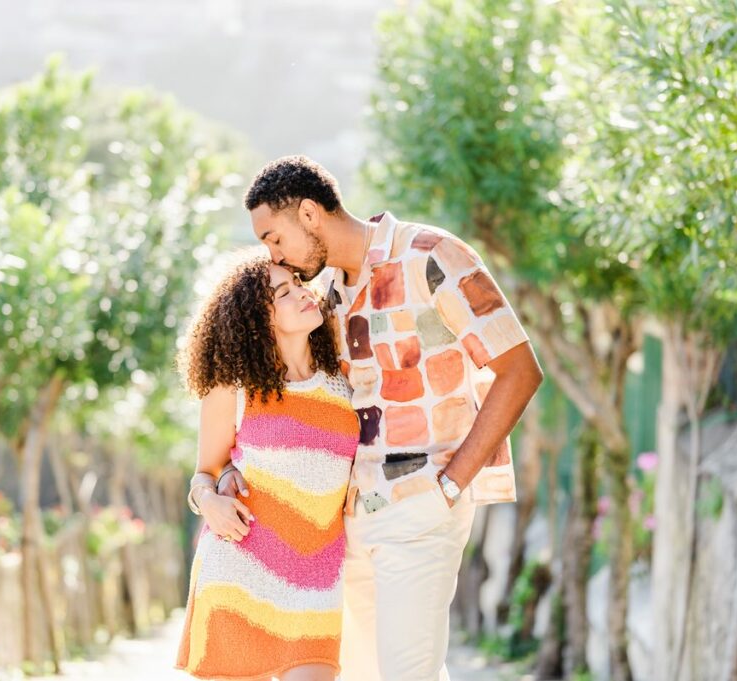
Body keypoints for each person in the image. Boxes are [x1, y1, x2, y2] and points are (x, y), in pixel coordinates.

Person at [222, 156, 543, 681]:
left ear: (308, 213)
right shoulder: (327, 297)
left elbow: (519, 370)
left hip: (421, 502)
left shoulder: (431, 256)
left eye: (274, 238)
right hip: (347, 521)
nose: (273, 255)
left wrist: (451, 484)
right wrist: (234, 469)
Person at [174, 254, 359, 681]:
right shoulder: (234, 387)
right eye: (284, 293)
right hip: (239, 573)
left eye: (298, 283)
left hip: (317, 580)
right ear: (260, 319)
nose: (303, 294)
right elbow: (205, 471)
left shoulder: (342, 378)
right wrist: (210, 501)